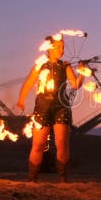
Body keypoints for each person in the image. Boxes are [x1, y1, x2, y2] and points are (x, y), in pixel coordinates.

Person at [17, 36, 86, 183]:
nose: (62, 50)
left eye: (63, 46)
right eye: (59, 46)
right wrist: (21, 100)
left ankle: (62, 179)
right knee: (39, 144)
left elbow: (75, 85)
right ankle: (32, 178)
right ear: (49, 47)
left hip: (62, 107)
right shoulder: (40, 65)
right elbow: (29, 82)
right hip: (42, 107)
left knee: (62, 144)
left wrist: (82, 73)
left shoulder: (65, 66)